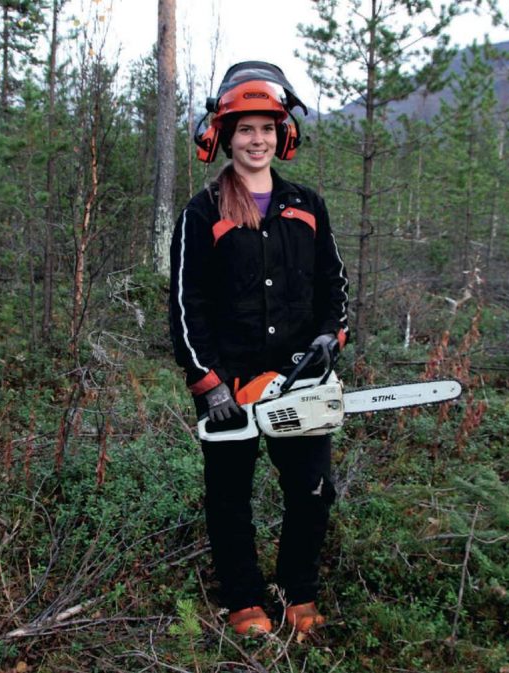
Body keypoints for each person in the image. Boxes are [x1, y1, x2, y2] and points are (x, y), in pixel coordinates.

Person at [168, 62, 350, 636]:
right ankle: (244, 597)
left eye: (267, 129)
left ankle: (299, 590)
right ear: (223, 135)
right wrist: (209, 382)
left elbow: (334, 286)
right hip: (230, 382)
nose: (257, 140)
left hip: (301, 377)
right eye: (245, 129)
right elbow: (183, 305)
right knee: (229, 497)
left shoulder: (307, 205)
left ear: (284, 135)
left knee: (311, 490)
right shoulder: (203, 213)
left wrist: (330, 338)